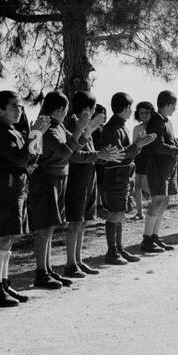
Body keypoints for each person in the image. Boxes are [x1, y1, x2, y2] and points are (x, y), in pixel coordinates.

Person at [0, 90, 47, 306]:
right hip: (7, 185)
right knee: (4, 235)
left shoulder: (15, 131)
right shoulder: (1, 133)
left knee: (11, 236)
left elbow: (32, 157)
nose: (19, 110)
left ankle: (3, 282)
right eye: (14, 106)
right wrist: (34, 135)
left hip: (19, 184)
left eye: (21, 107)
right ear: (0, 110)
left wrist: (36, 135)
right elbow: (21, 158)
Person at [27, 91, 79, 289]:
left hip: (57, 178)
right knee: (44, 228)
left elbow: (73, 149)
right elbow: (66, 152)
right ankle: (41, 272)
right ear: (59, 110)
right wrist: (82, 128)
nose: (66, 114)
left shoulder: (59, 126)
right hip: (44, 179)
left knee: (50, 227)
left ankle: (48, 269)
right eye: (65, 110)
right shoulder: (45, 128)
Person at [96, 93, 154, 263]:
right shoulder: (112, 128)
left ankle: (119, 248)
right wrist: (138, 144)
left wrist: (138, 145)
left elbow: (128, 152)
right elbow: (119, 154)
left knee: (120, 214)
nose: (131, 111)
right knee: (115, 214)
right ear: (126, 108)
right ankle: (112, 251)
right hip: (114, 176)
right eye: (130, 108)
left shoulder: (121, 126)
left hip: (122, 175)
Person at [61, 93, 109, 278]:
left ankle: (78, 260)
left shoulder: (86, 126)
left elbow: (89, 152)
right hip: (76, 178)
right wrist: (98, 155)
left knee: (83, 222)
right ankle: (70, 263)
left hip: (88, 177)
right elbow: (74, 154)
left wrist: (101, 155)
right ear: (87, 108)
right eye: (93, 107)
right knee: (75, 222)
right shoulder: (74, 125)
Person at [139, 90, 178, 253]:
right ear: (167, 104)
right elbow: (158, 146)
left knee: (164, 201)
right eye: (174, 105)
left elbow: (172, 143)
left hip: (168, 168)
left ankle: (155, 236)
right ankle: (147, 239)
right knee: (157, 201)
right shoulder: (155, 122)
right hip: (157, 168)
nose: (175, 108)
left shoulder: (167, 122)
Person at [131, 101, 155, 220]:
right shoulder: (137, 128)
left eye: (147, 112)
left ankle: (154, 209)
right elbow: (135, 144)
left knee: (148, 186)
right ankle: (139, 212)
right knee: (138, 186)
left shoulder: (155, 127)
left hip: (151, 158)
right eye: (141, 112)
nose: (144, 115)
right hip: (139, 157)